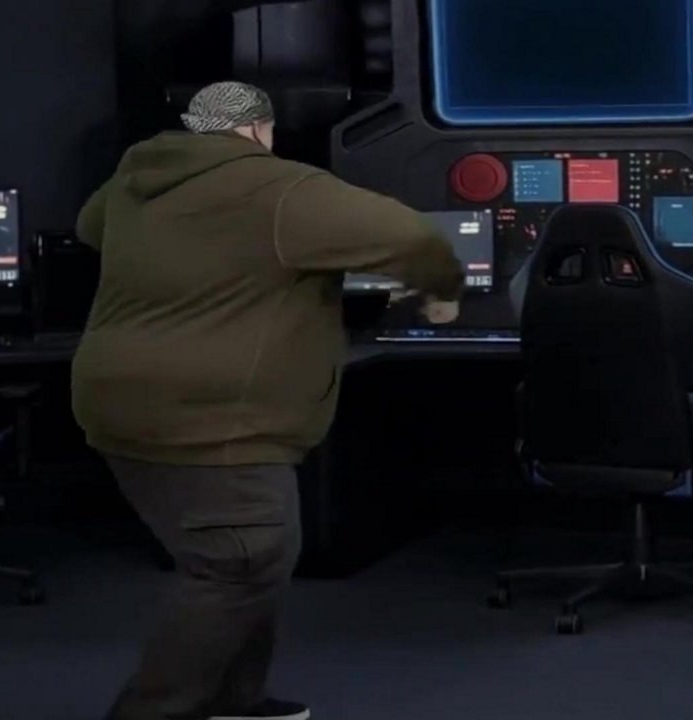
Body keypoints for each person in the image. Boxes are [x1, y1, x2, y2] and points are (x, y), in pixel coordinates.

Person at [72, 81, 465, 720]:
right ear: (260, 129)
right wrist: (441, 292)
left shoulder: (133, 181)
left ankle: (235, 700)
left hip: (118, 400)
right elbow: (414, 238)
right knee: (240, 565)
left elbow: (91, 229)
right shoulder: (282, 189)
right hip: (212, 417)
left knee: (250, 557)